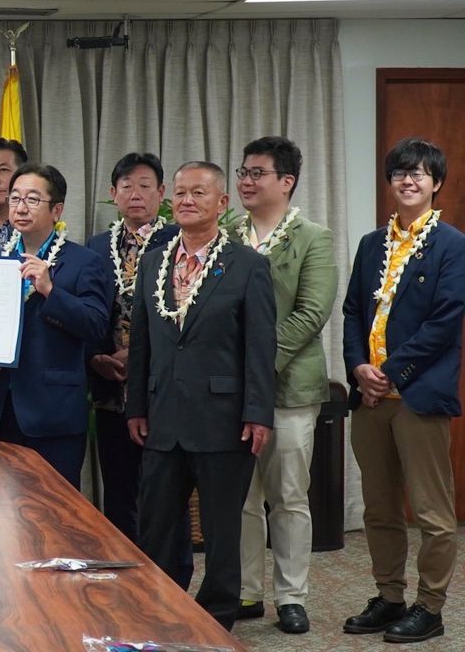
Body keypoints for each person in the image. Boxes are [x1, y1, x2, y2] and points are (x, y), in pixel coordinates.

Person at [125, 161, 276, 631]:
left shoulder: (247, 264)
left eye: (200, 193)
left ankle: (216, 619)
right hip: (163, 417)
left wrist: (257, 413)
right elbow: (143, 341)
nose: (188, 201)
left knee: (221, 529)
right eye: (182, 193)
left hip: (223, 420)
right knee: (157, 525)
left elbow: (259, 346)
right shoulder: (155, 260)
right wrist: (136, 405)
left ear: (222, 203)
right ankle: (158, 607)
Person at [341, 138, 465, 644]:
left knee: (434, 515)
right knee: (379, 509)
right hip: (369, 400)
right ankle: (390, 596)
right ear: (389, 182)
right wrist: (357, 368)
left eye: (419, 173)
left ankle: (430, 607)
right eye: (399, 173)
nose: (408, 180)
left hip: (416, 396)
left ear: (436, 183)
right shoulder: (372, 243)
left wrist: (390, 370)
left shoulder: (453, 245)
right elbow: (352, 311)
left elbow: (445, 320)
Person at [231, 136, 338, 634]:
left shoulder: (313, 237)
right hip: (230, 390)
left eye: (257, 173)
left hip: (289, 388)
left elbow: (310, 314)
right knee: (241, 495)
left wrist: (257, 367)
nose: (245, 182)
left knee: (289, 495)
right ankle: (247, 590)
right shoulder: (229, 232)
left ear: (286, 182)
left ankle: (291, 596)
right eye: (243, 172)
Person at [0, 163, 113, 487]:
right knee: (1, 513)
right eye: (15, 198)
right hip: (0, 409)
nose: (21, 208)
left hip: (54, 415)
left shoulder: (85, 261)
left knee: (56, 514)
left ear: (57, 209)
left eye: (33, 200)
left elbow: (95, 326)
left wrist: (51, 290)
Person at [85, 152, 179, 541]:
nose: (135, 194)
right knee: (119, 488)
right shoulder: (95, 245)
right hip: (111, 390)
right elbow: (87, 308)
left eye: (145, 186)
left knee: (164, 492)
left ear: (161, 194)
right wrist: (96, 358)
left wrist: (140, 357)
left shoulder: (179, 241)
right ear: (113, 193)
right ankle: (126, 574)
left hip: (163, 389)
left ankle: (168, 578)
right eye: (127, 186)